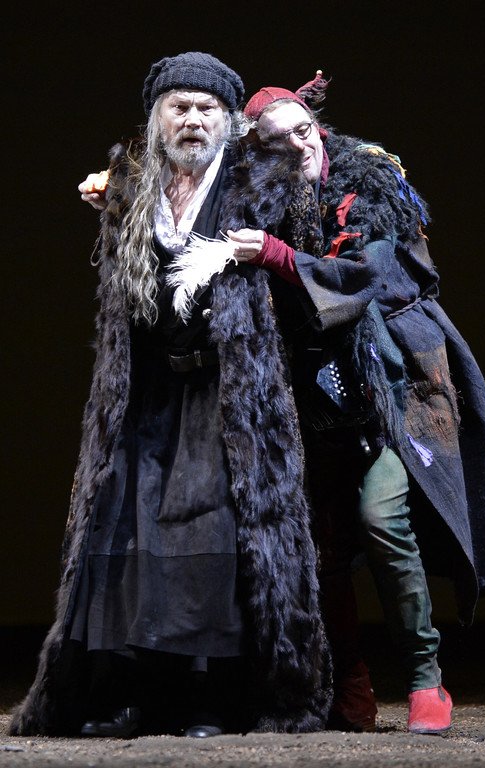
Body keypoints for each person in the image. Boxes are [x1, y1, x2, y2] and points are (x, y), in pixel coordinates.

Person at [8, 52, 334, 739]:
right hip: (146, 391)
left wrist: (289, 214)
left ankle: (208, 700)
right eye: (178, 107)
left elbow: (310, 252)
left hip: (226, 392)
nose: (192, 120)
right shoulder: (132, 188)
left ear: (228, 121)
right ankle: (136, 694)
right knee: (129, 535)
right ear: (156, 118)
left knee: (211, 542)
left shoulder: (258, 183)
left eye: (206, 109)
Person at [223, 74, 485, 735]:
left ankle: (425, 680)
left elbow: (363, 277)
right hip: (307, 388)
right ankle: (348, 686)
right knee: (322, 544)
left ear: (317, 126)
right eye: (279, 141)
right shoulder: (258, 195)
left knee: (383, 520)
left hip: (390, 380)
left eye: (304, 131)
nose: (300, 146)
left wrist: (275, 255)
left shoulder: (370, 184)